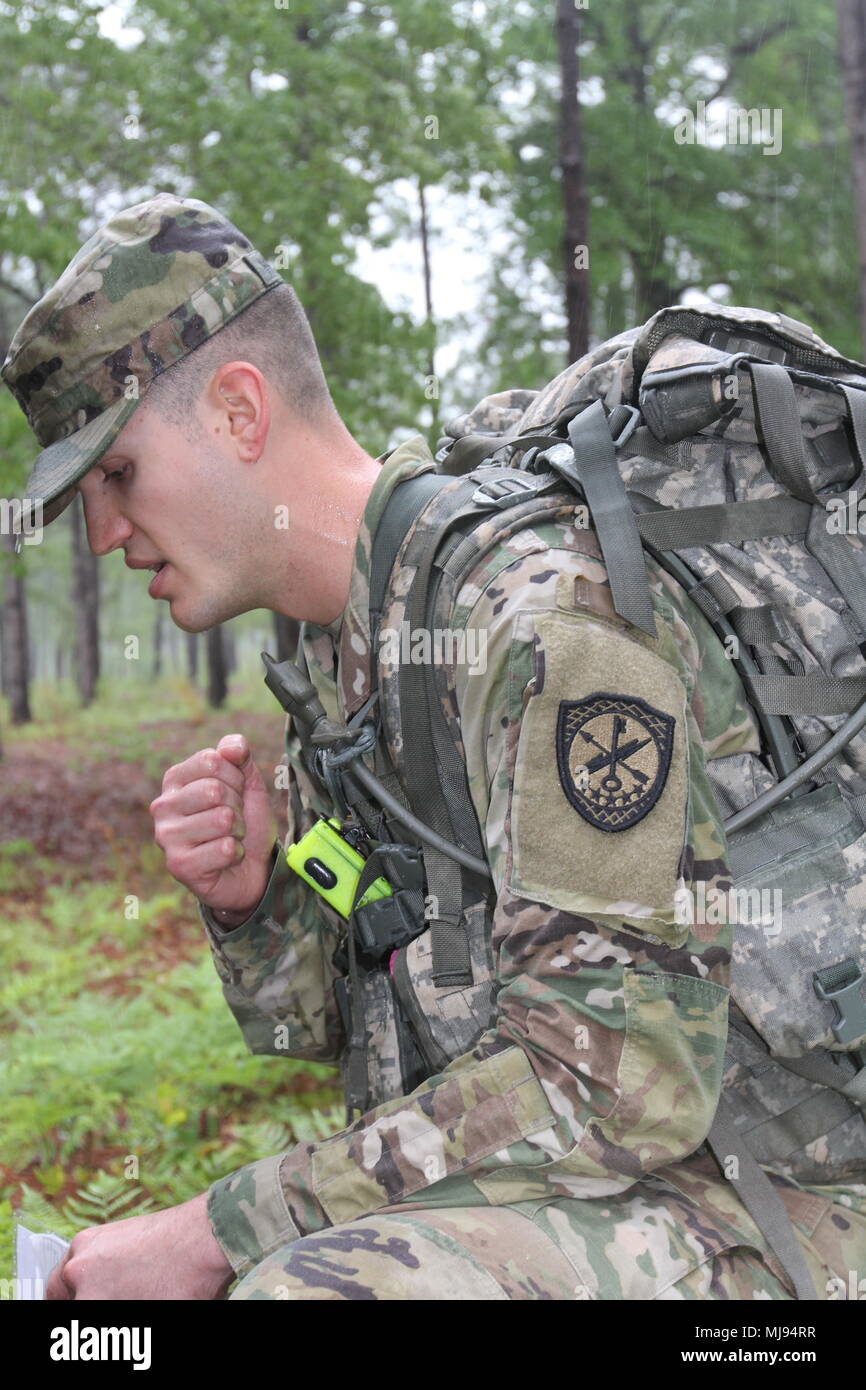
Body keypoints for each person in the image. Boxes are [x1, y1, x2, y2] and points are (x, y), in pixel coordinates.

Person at [3, 192, 864, 1301]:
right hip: (620, 1192)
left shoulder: (540, 620)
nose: (107, 535)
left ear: (236, 411)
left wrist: (218, 1227)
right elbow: (361, 1017)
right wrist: (254, 895)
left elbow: (620, 1080)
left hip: (786, 1200)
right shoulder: (349, 664)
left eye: (116, 476)